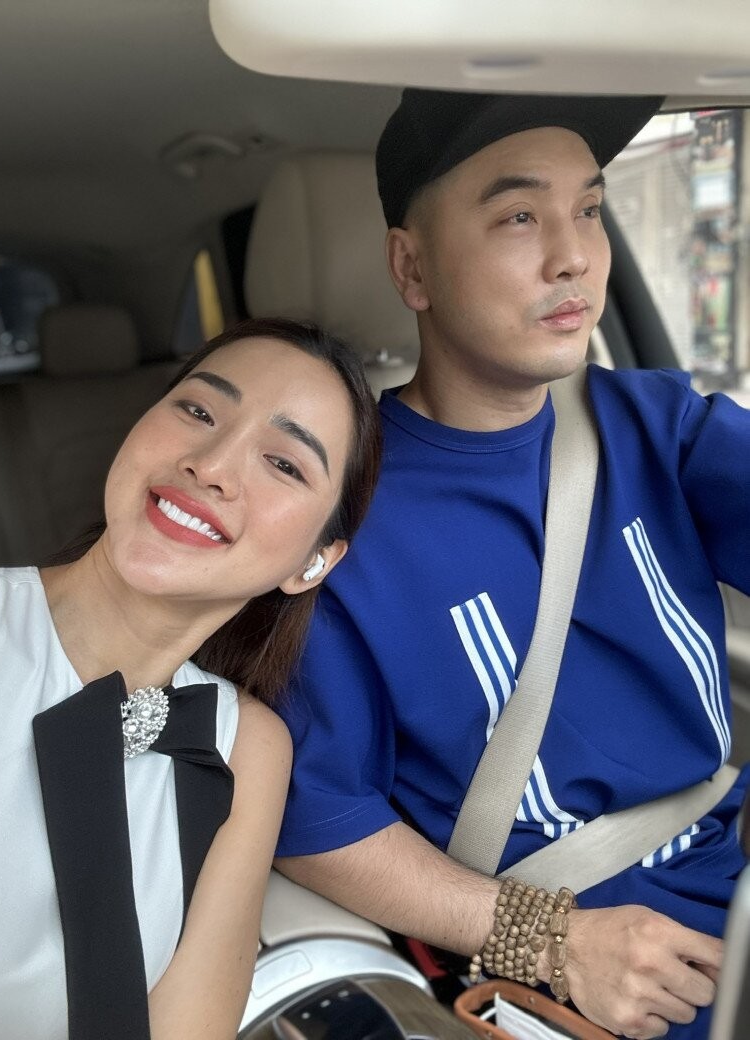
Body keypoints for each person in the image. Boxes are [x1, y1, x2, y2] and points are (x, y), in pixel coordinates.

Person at [273, 91, 750, 1040]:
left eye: (590, 209)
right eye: (520, 215)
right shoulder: (340, 518)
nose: (574, 255)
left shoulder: (655, 423)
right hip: (584, 988)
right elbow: (315, 822)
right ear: (411, 267)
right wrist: (553, 941)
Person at [0, 316, 382, 1040]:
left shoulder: (245, 749)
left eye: (284, 464)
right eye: (197, 410)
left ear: (313, 562)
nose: (212, 464)